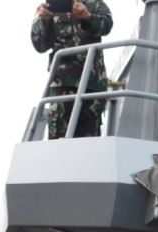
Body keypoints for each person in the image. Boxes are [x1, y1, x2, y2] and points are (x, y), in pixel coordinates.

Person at [31, 1, 113, 139]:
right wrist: (42, 20)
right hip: (61, 86)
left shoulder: (94, 4)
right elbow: (39, 45)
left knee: (89, 144)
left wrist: (87, 16)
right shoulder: (49, 7)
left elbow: (107, 26)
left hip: (91, 84)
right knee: (58, 141)